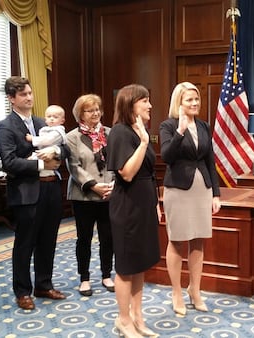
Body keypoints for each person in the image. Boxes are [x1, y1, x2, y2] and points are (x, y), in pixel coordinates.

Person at [0, 76, 69, 311]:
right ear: (11, 99)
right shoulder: (6, 126)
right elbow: (8, 162)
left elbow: (65, 147)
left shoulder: (43, 122)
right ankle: (23, 291)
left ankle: (44, 285)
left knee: (48, 240)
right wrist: (39, 164)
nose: (29, 97)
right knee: (25, 243)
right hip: (26, 192)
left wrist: (55, 152)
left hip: (51, 190)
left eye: (30, 92)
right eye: (23, 94)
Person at [159, 82, 221, 315]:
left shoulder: (204, 125)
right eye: (189, 100)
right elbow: (166, 156)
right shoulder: (168, 125)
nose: (195, 103)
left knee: (198, 240)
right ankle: (176, 292)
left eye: (197, 99)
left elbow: (210, 162)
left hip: (201, 190)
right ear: (179, 102)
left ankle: (195, 290)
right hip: (178, 190)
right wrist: (180, 131)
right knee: (176, 241)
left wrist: (216, 193)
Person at [107, 84, 160, 338]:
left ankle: (138, 316)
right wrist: (144, 143)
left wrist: (156, 204)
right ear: (130, 104)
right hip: (127, 206)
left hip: (144, 203)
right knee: (127, 265)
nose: (150, 105)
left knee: (140, 263)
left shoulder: (138, 131)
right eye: (145, 101)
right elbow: (127, 173)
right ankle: (123, 319)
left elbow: (150, 173)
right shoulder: (120, 132)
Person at [66, 94, 115, 297]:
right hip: (83, 196)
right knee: (84, 238)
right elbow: (74, 167)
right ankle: (84, 278)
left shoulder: (110, 134)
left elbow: (117, 161)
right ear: (80, 114)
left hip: (108, 195)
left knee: (108, 238)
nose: (95, 113)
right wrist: (94, 185)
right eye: (89, 110)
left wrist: (112, 184)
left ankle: (106, 275)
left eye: (97, 109)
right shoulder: (72, 137)